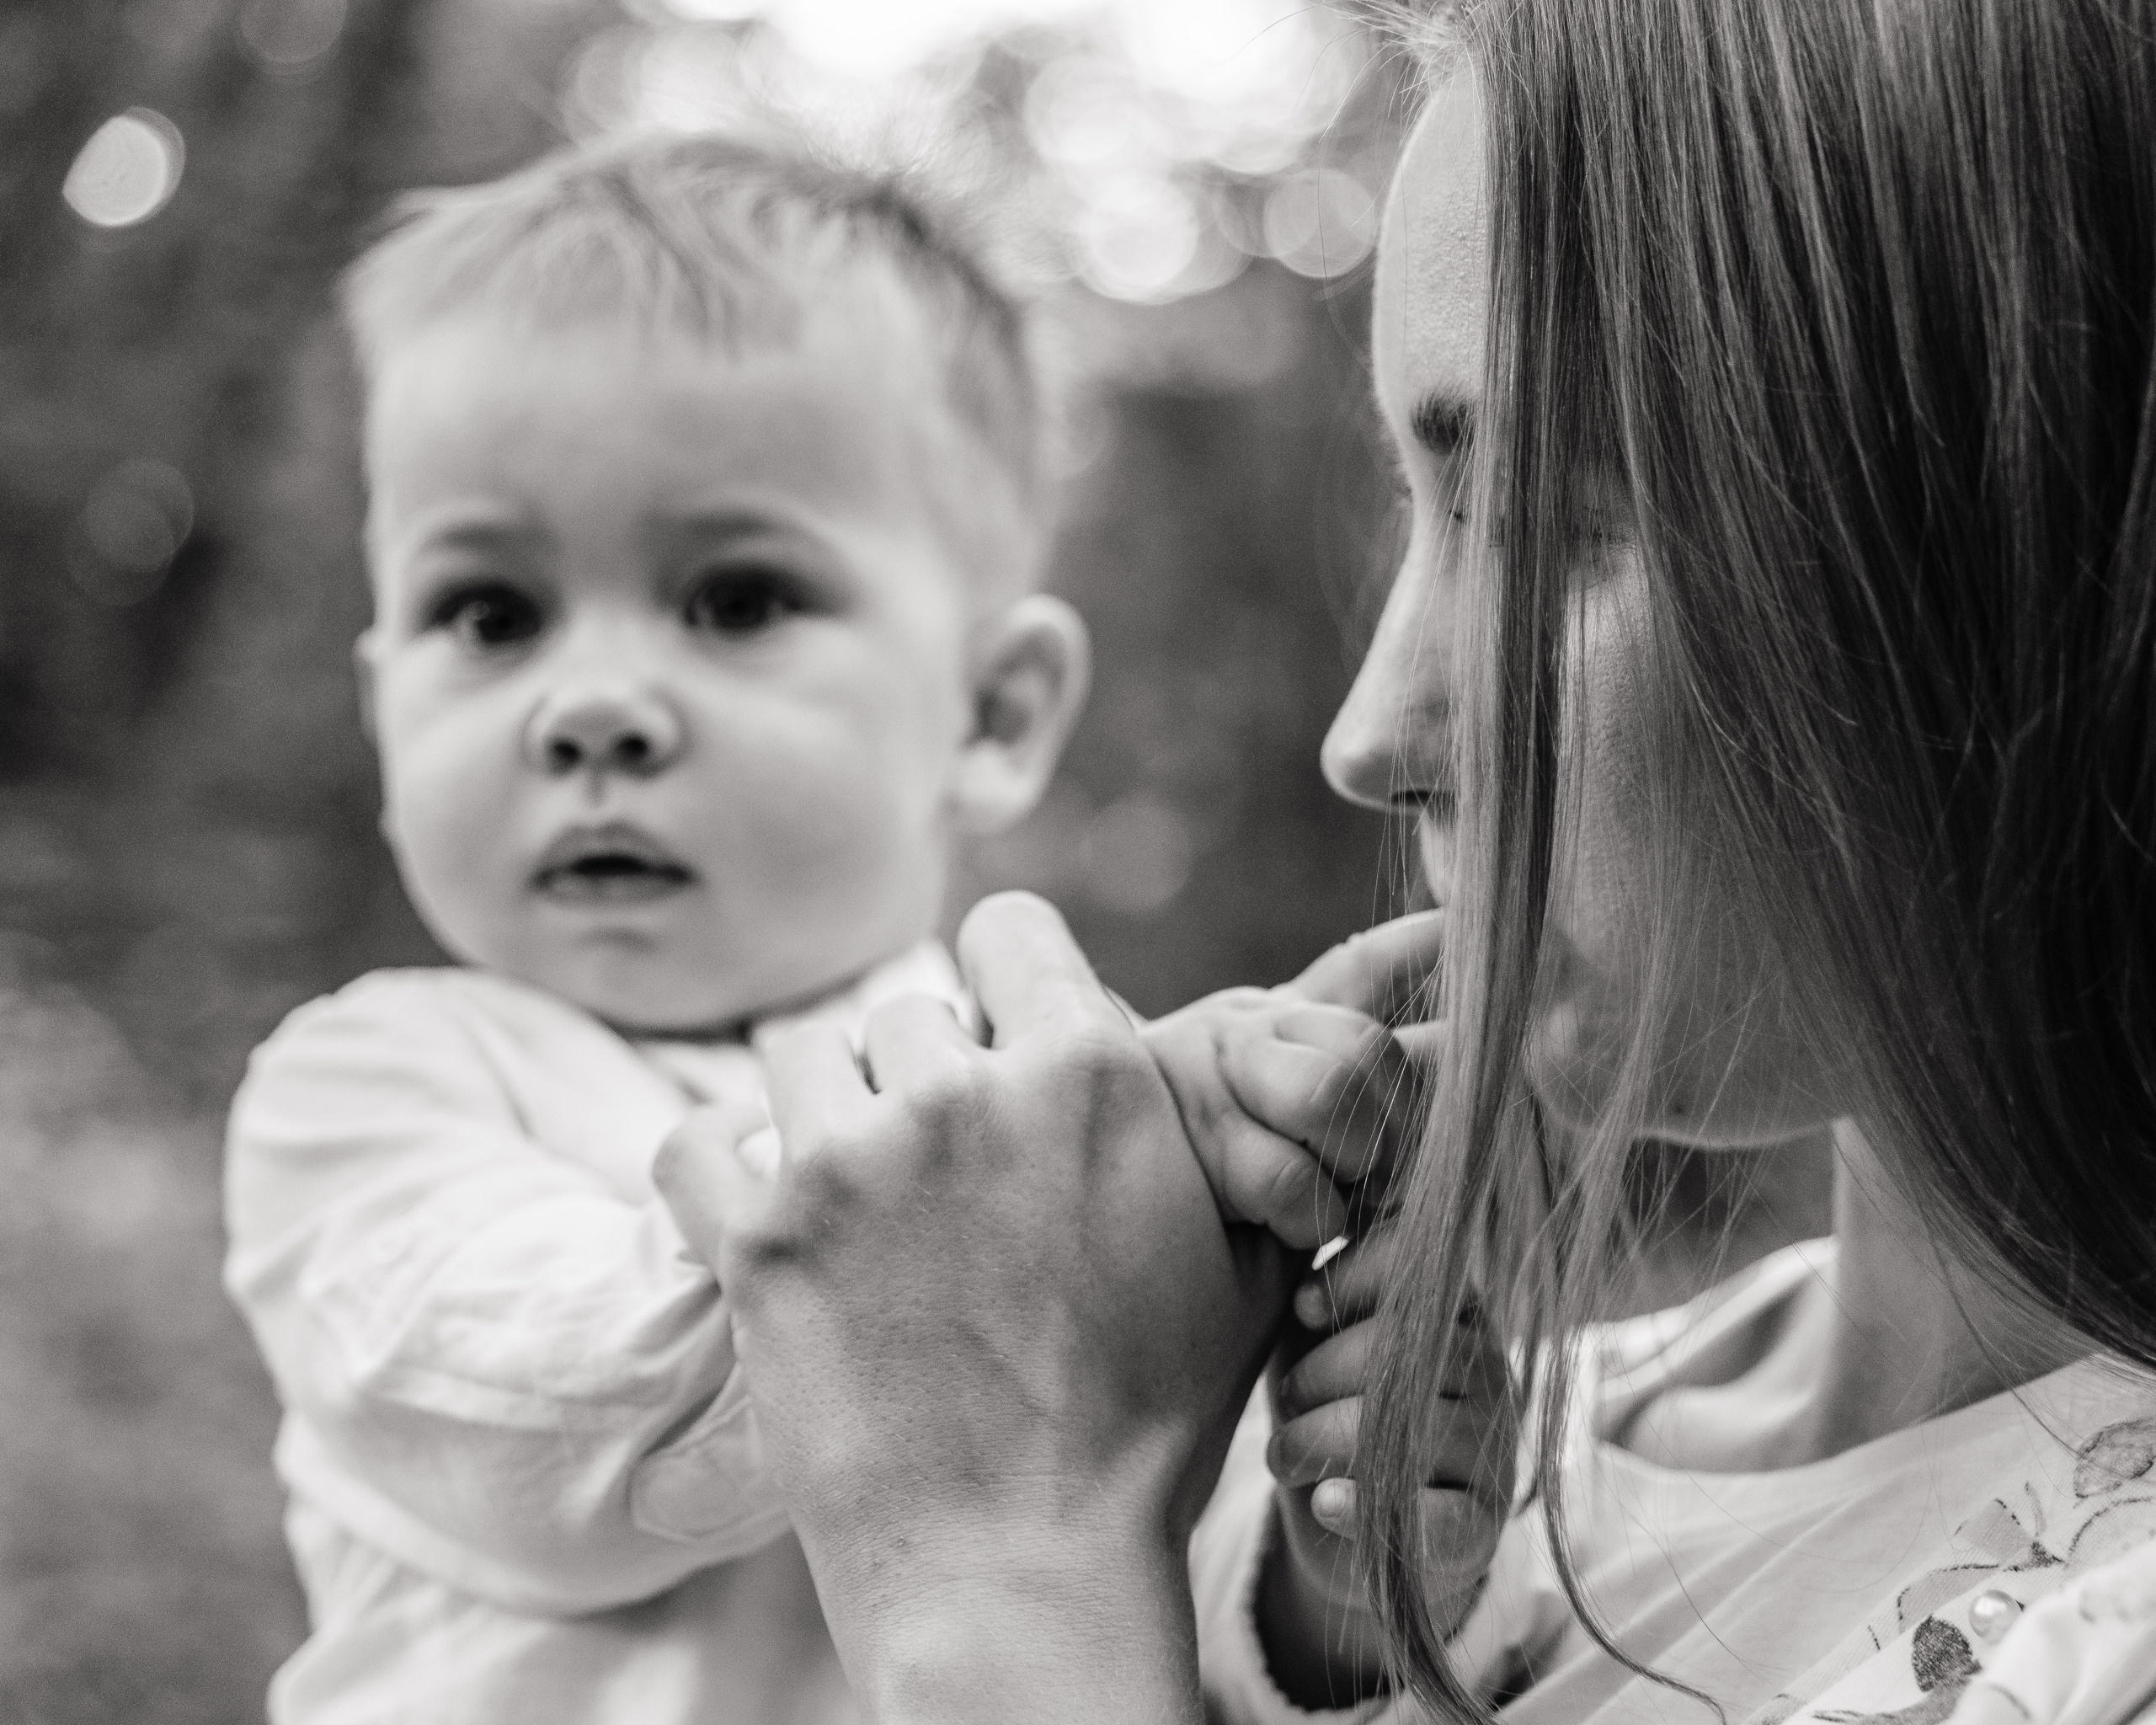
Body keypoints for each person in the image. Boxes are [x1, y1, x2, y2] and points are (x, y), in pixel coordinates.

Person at [654, 2, 2156, 1722]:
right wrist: (1329, 1609)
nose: (1369, 733)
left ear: (2023, 549)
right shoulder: (1535, 1463)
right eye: (1418, 516)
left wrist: (1000, 1565)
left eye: (1544, 524)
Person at [221, 131, 1100, 1725]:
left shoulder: (1043, 1094)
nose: (595, 707)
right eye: (490, 615)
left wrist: (1330, 1572)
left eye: (735, 599)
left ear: (992, 710)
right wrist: (1029, 1242)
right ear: (382, 711)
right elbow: (553, 1435)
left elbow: (1152, 1579)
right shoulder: (369, 1092)